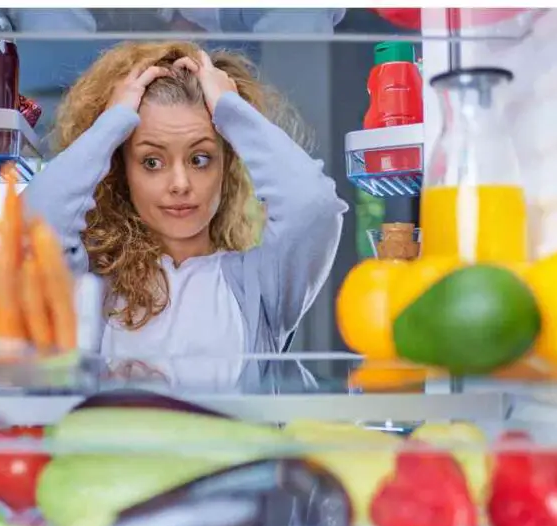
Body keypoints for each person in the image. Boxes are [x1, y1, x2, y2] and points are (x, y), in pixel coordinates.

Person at [24, 41, 347, 388]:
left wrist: (231, 111)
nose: (180, 184)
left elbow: (313, 206)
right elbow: (33, 223)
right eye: (152, 162)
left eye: (200, 159)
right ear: (121, 170)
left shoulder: (260, 286)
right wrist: (111, 125)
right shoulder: (95, 286)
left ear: (227, 164)